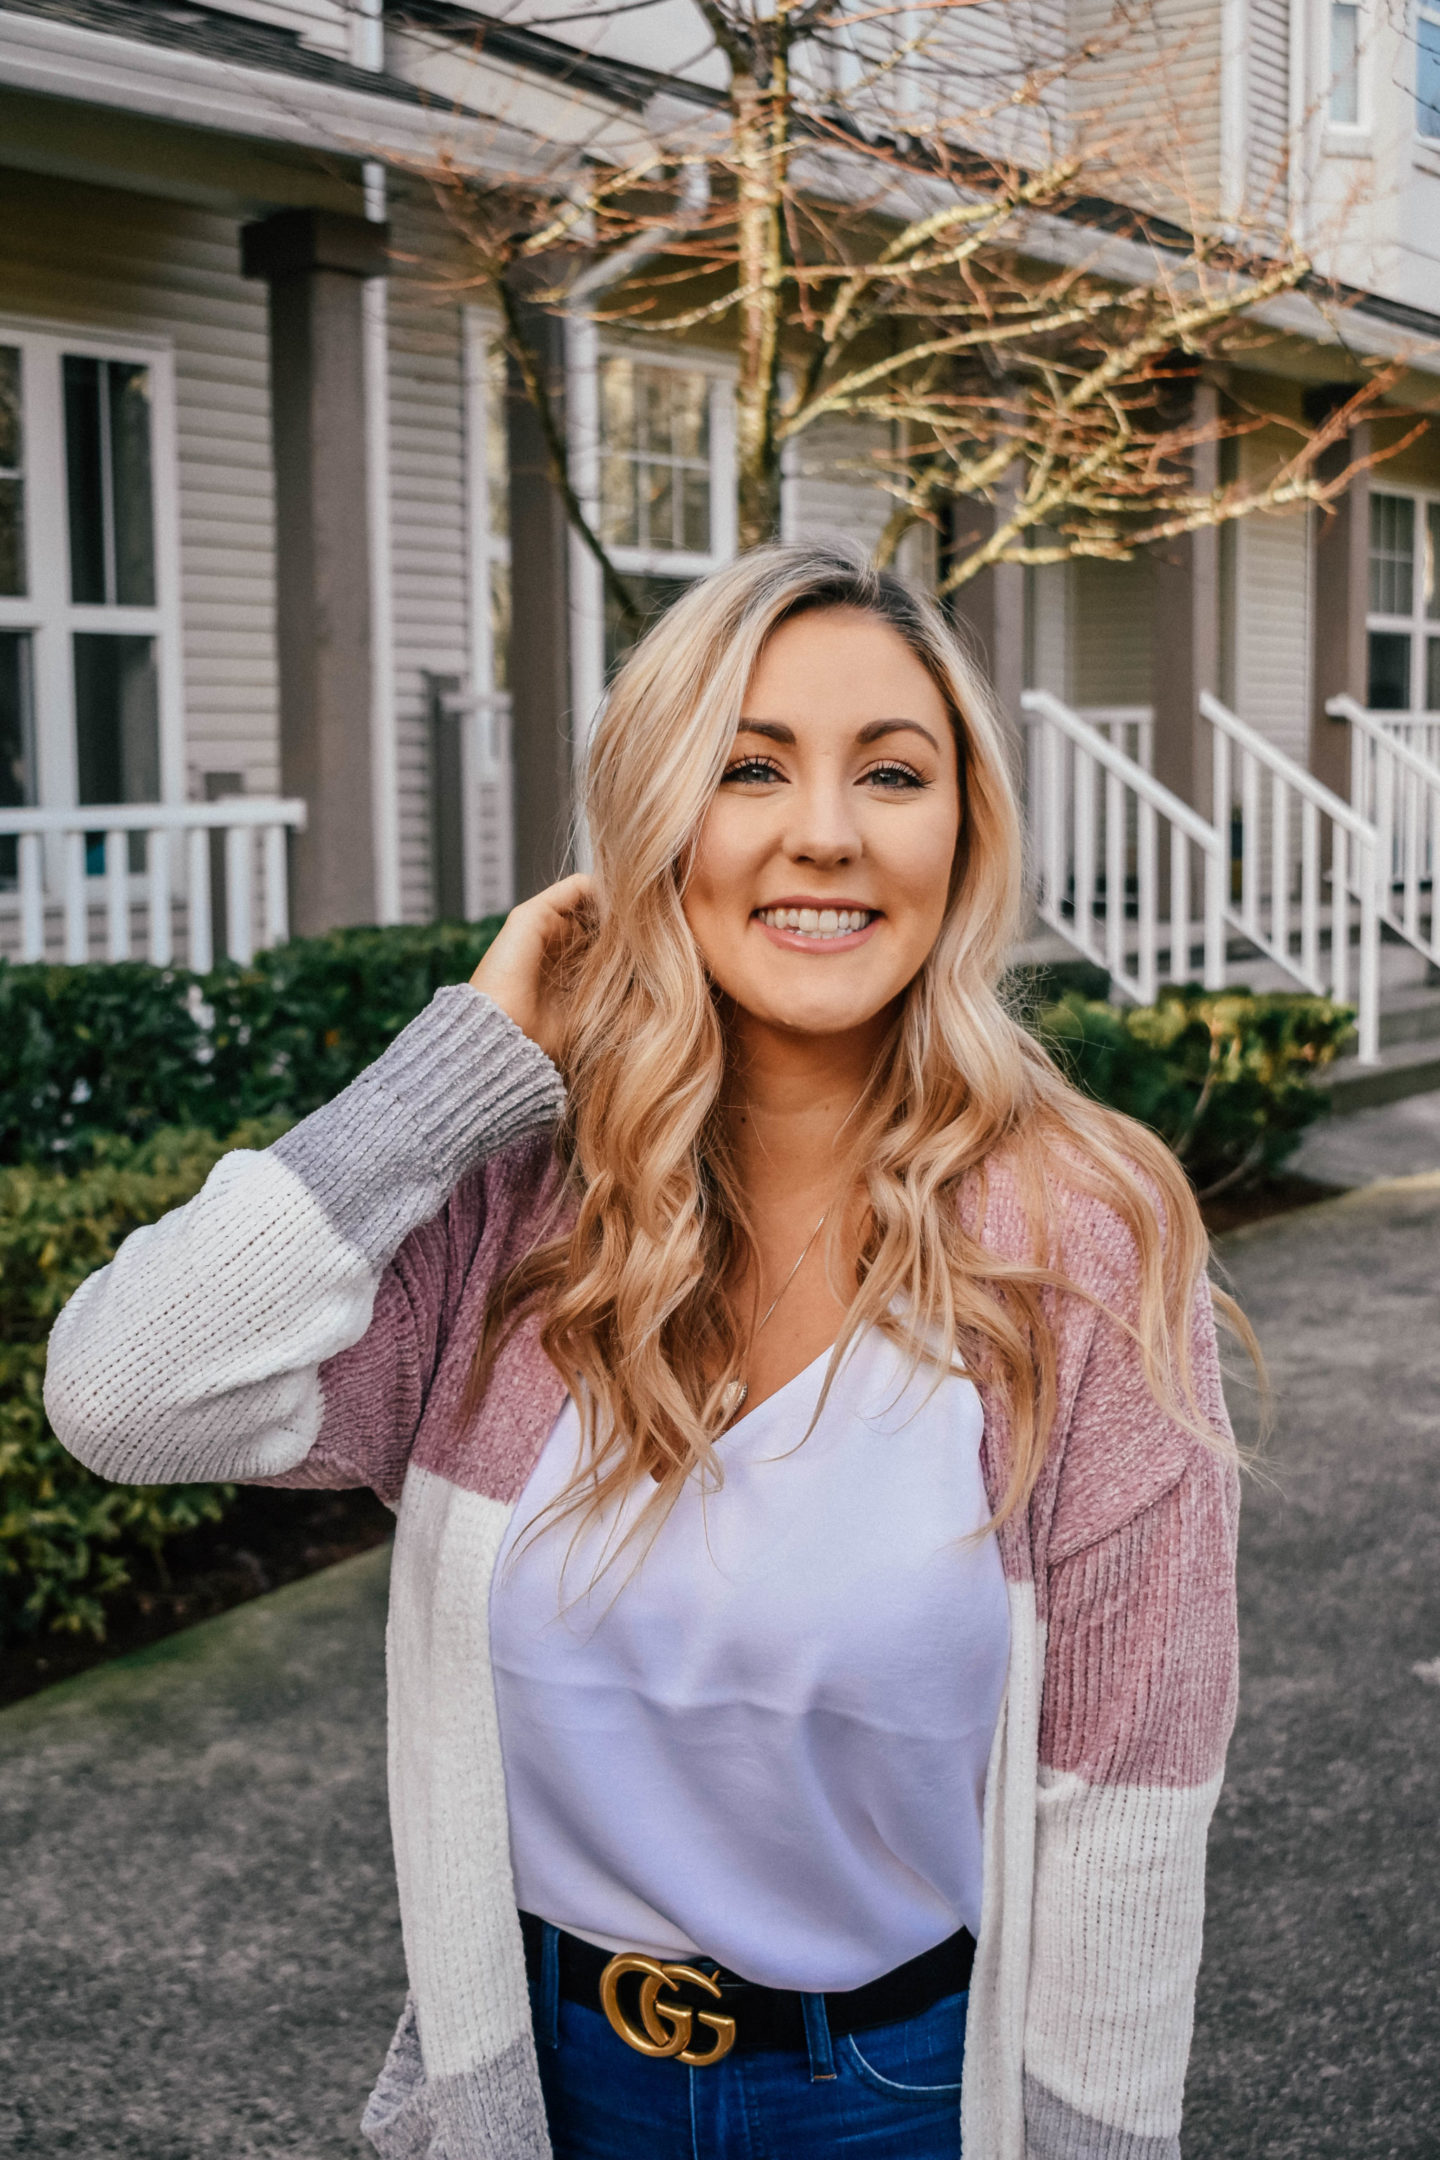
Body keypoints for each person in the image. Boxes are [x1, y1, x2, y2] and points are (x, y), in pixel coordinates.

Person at [46, 543, 1243, 2160]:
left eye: (891, 772)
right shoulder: (509, 1219)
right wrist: (456, 1072)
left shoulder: (1081, 1239)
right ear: (656, 821)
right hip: (544, 2089)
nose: (824, 827)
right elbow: (123, 1393)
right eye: (750, 766)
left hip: (899, 2102)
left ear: (960, 837)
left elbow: (1126, 1803)